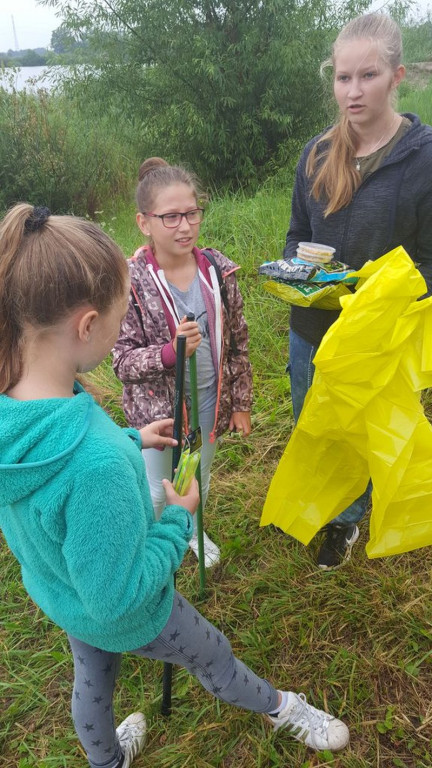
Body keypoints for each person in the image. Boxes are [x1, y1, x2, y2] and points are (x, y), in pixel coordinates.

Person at [0, 203, 350, 767]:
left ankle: (106, 761)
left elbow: (60, 452)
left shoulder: (14, 408)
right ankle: (283, 707)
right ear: (88, 326)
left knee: (91, 685)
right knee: (214, 655)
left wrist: (128, 438)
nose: (120, 326)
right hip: (132, 609)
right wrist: (178, 519)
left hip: (62, 596)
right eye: (118, 317)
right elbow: (120, 597)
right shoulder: (95, 468)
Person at [283, 12, 432, 570]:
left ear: (397, 76)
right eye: (342, 78)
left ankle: (348, 519)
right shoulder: (317, 154)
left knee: (371, 431)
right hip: (314, 328)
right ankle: (331, 503)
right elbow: (298, 236)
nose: (352, 91)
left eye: (366, 76)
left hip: (380, 335)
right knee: (316, 424)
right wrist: (300, 273)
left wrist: (374, 291)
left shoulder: (424, 160)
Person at [113, 157, 252, 568]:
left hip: (209, 400)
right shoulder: (131, 281)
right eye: (170, 217)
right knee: (158, 488)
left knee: (197, 478)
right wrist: (169, 353)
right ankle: (152, 545)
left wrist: (241, 402)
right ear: (144, 222)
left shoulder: (217, 269)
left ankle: (189, 529)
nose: (185, 226)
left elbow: (239, 341)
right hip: (160, 416)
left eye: (191, 213)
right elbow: (122, 361)